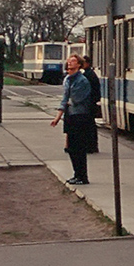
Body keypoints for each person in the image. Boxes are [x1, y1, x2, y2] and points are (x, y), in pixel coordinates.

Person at [51, 54, 91, 184]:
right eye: (69, 61)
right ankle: (76, 174)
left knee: (79, 148)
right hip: (70, 116)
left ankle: (83, 176)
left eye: (73, 61)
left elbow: (76, 99)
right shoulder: (67, 79)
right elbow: (65, 99)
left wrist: (68, 102)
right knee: (72, 148)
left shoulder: (82, 81)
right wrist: (58, 117)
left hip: (80, 116)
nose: (69, 63)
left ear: (79, 64)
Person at [81, 55, 101, 154]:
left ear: (87, 63)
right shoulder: (90, 73)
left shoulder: (88, 75)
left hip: (89, 103)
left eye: (83, 62)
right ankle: (92, 146)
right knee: (91, 125)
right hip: (92, 103)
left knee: (89, 126)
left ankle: (91, 146)